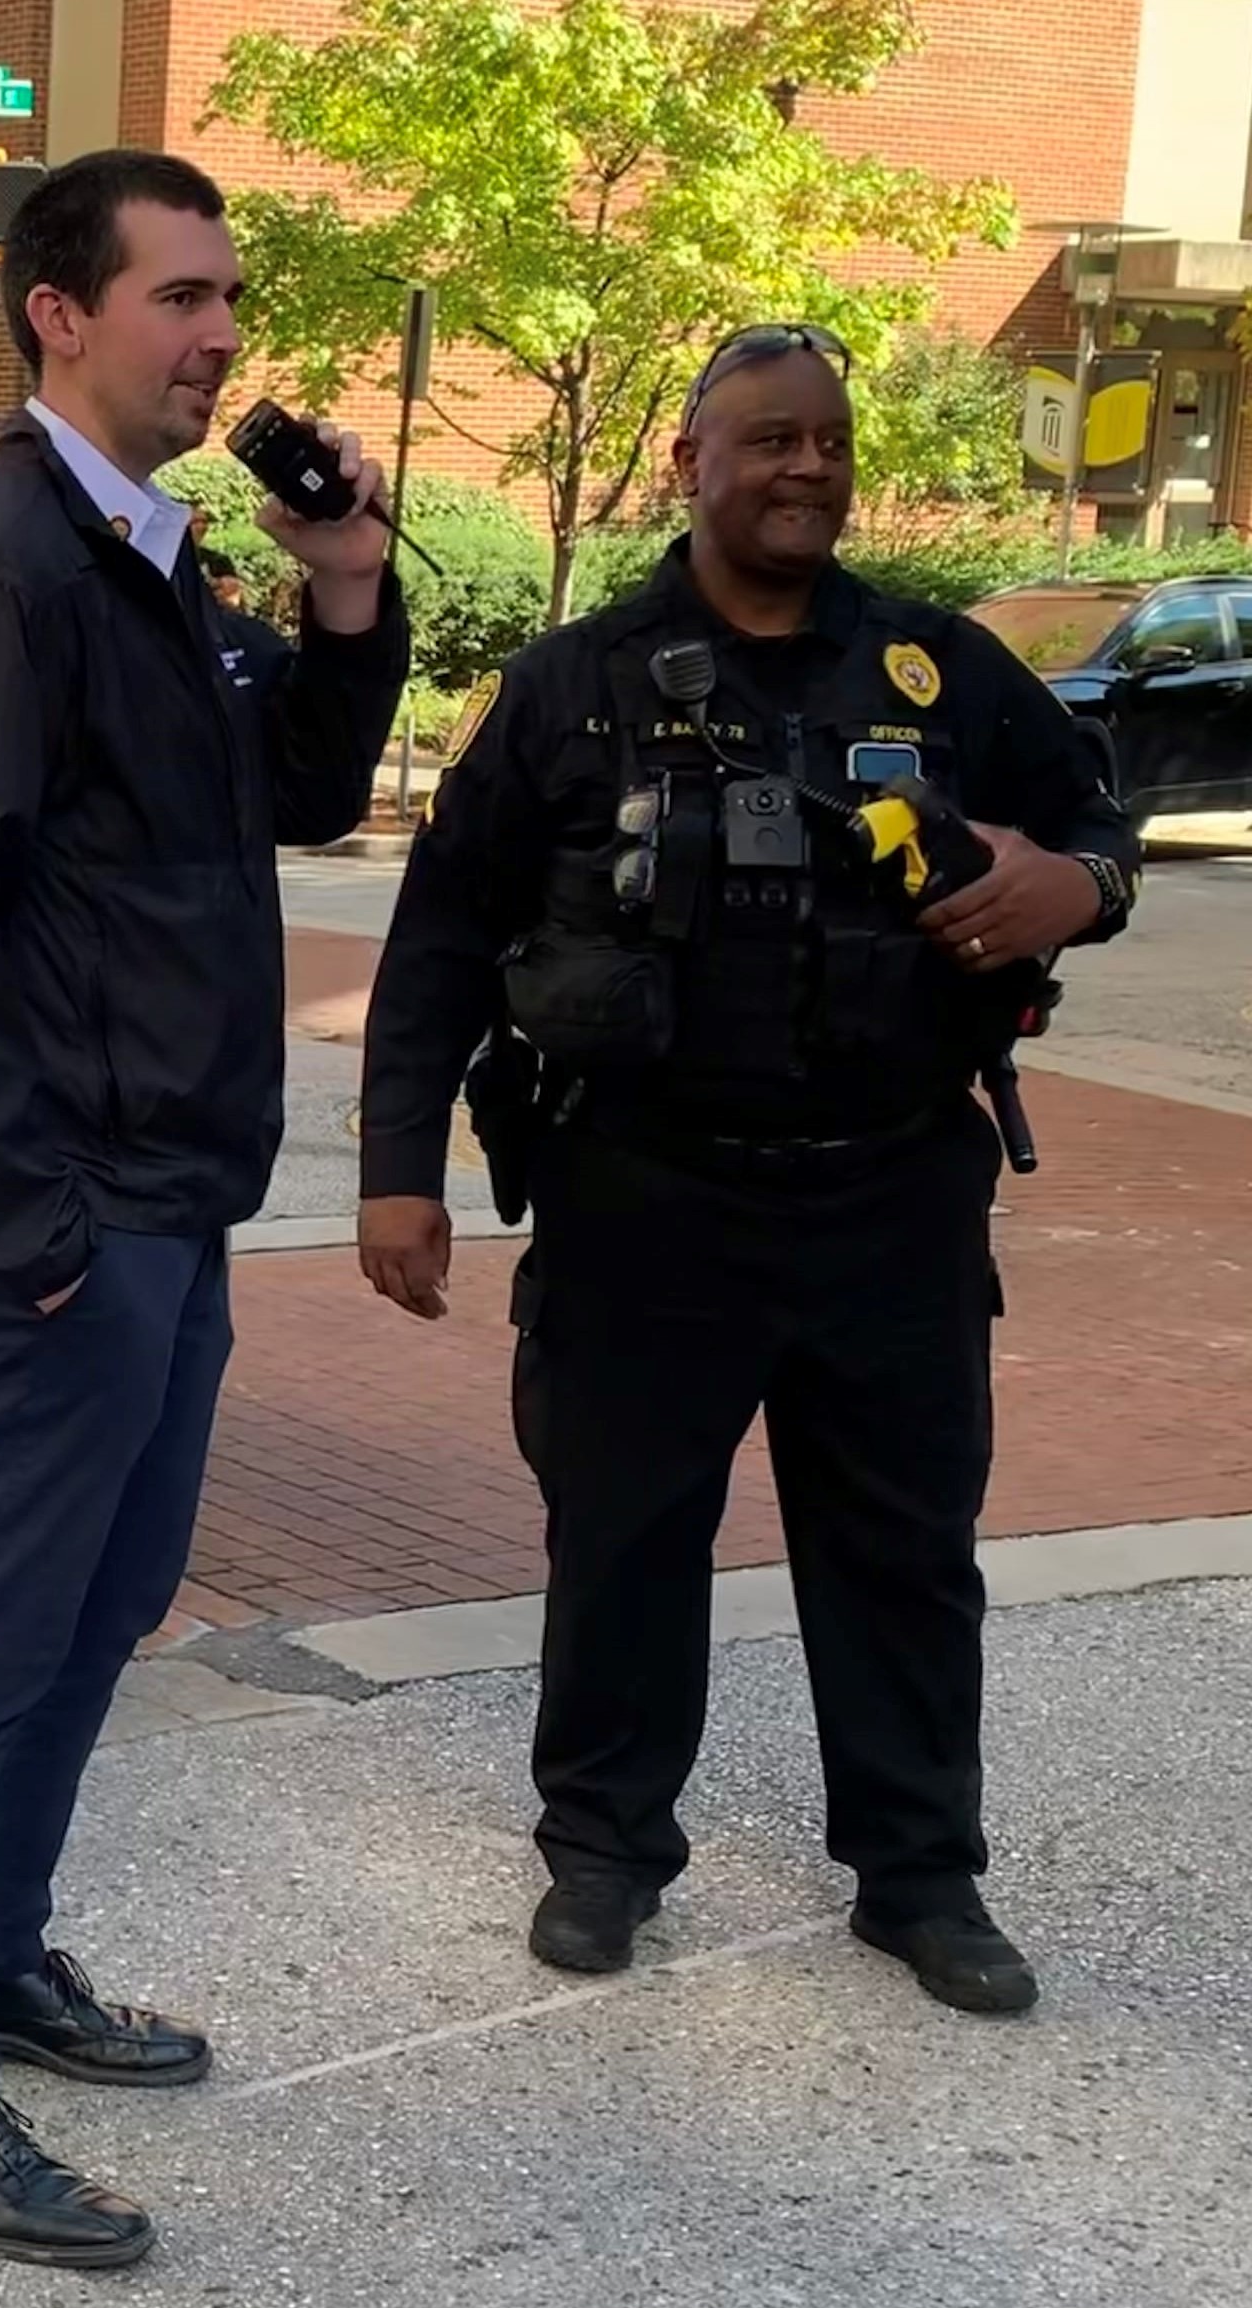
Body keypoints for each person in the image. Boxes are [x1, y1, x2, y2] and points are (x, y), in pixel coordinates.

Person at [353, 323, 1140, 2015]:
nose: (803, 469)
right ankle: (602, 1850)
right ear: (687, 465)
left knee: (901, 1547)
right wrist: (392, 1172)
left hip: (890, 1192)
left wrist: (1071, 889)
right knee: (623, 1534)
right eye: (766, 440)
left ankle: (918, 1878)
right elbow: (436, 938)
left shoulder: (935, 668)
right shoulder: (573, 684)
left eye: (826, 443)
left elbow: (1096, 827)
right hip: (643, 1191)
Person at [0, 148, 409, 2268]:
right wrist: (33, 1226)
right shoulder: (6, 570)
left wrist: (345, 581)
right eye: (180, 295)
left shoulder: (152, 561)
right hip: (60, 1222)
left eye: (229, 297)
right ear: (54, 312)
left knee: (98, 1604)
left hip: (162, 1196)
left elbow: (301, 794)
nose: (222, 334)